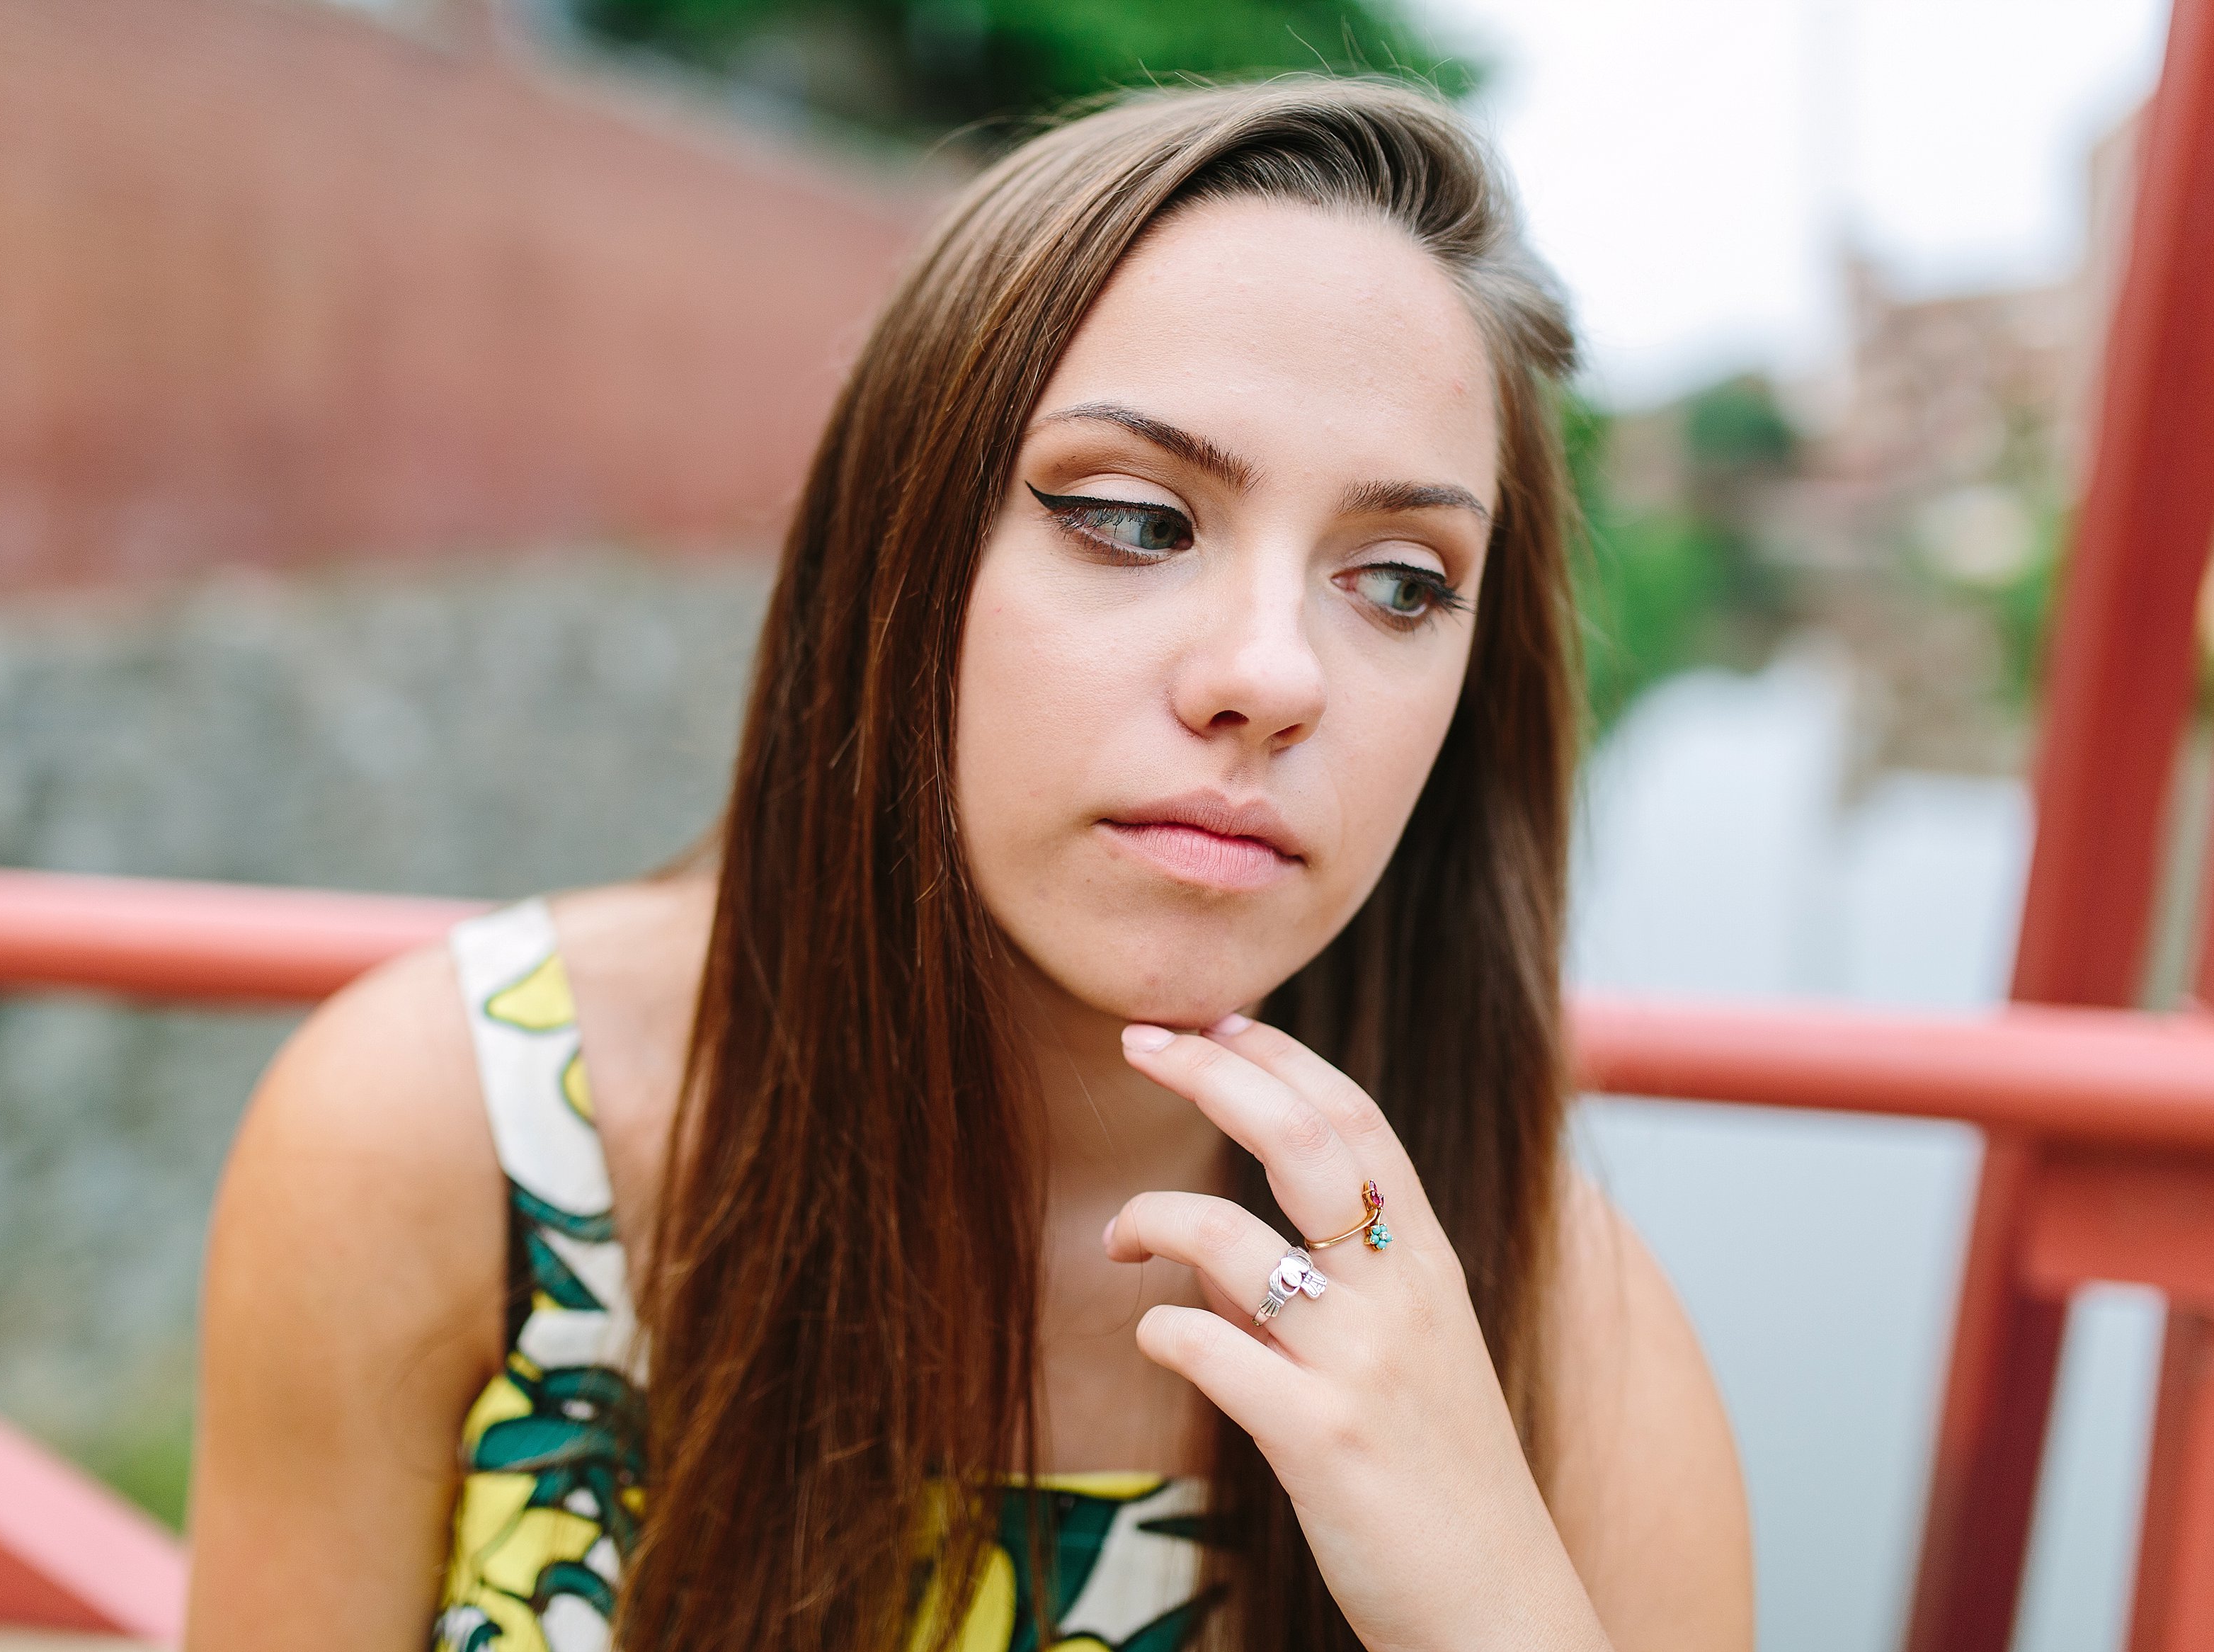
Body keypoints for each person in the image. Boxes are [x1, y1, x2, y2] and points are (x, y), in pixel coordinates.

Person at [183, 77, 1750, 1652]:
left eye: (1400, 583)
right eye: (1137, 522)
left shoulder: (1545, 1333)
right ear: (900, 552)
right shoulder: (454, 1136)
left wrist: (1492, 1603)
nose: (1274, 675)